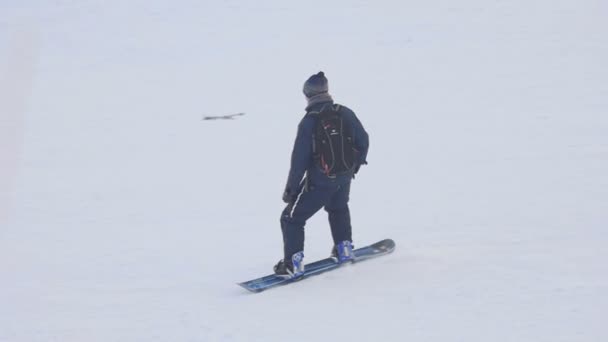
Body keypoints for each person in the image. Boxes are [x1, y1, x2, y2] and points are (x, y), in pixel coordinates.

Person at [274, 71, 369, 279]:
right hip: (344, 177)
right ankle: (345, 249)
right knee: (338, 207)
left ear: (307, 94)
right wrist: (353, 167)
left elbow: (299, 161)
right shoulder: (345, 112)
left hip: (319, 181)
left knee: (291, 218)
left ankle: (292, 264)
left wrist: (290, 191)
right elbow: (364, 140)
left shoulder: (309, 121)